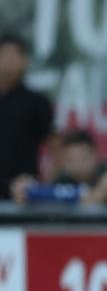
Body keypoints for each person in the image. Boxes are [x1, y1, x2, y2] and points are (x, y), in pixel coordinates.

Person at [0, 34, 54, 200]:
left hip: (23, 191)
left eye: (16, 55)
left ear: (25, 61)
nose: (10, 60)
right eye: (5, 54)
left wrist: (45, 187)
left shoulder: (37, 102)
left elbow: (56, 147)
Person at [10, 130, 107, 204]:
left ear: (95, 154)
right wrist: (26, 191)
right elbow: (44, 196)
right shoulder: (62, 180)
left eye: (83, 157)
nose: (78, 164)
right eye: (72, 159)